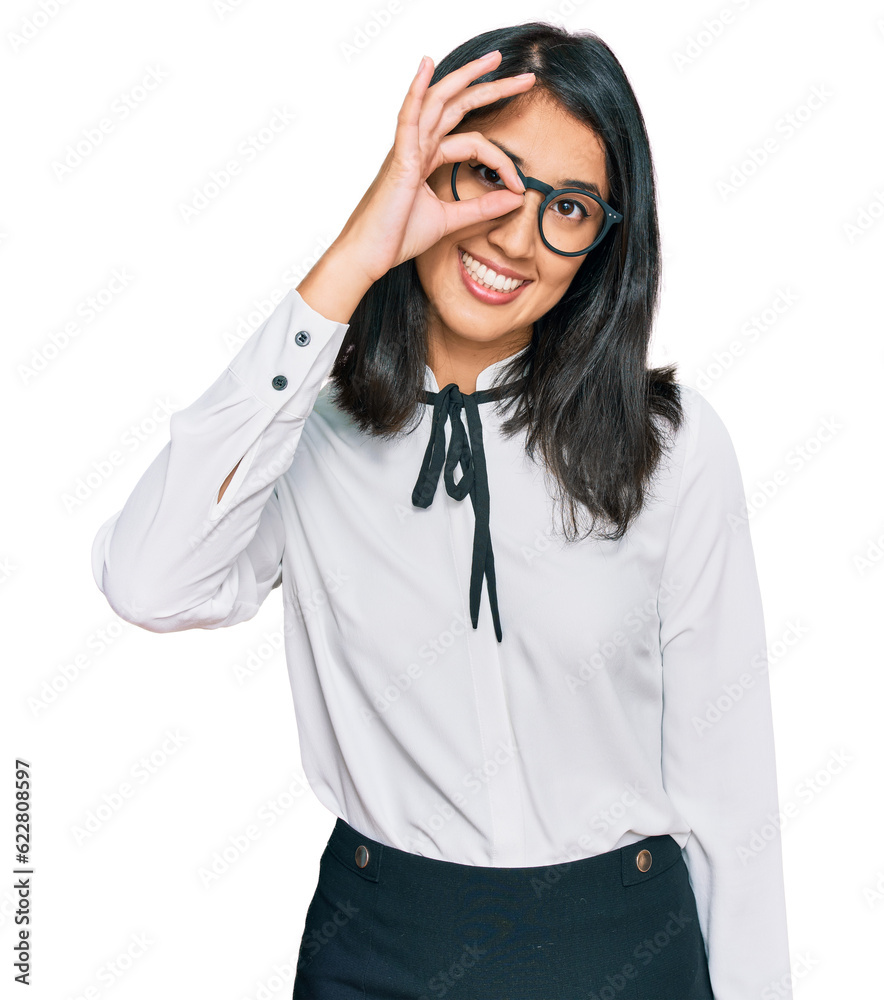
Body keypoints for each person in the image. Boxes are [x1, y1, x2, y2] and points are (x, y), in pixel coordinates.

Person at [91, 21, 793, 1000]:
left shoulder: (669, 447)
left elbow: (728, 791)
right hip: (380, 950)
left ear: (601, 242)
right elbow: (147, 578)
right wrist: (350, 259)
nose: (515, 234)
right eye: (486, 176)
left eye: (569, 207)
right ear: (424, 171)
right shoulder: (305, 428)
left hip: (620, 952)